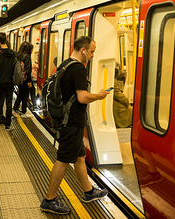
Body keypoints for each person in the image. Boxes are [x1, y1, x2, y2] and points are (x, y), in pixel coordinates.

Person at [40, 36, 110, 215]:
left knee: (79, 157)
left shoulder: (65, 64)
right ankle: (49, 199)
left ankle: (88, 191)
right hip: (70, 122)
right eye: (92, 51)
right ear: (83, 50)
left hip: (69, 121)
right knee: (63, 160)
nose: (93, 55)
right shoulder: (78, 69)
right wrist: (99, 95)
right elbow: (82, 97)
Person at [0, 32, 16, 130]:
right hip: (10, 82)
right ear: (6, 40)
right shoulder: (13, 53)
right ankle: (8, 125)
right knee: (9, 103)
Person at [13, 41, 33, 117]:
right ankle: (23, 110)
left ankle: (15, 107)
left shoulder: (19, 55)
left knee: (20, 94)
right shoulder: (27, 57)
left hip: (19, 77)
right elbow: (28, 70)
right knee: (25, 95)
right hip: (25, 79)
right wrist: (29, 81)